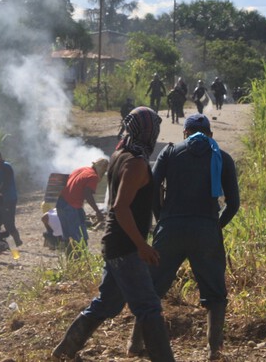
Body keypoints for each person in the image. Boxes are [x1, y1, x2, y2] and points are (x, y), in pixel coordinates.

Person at [52, 107, 174, 362]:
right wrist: (141, 245)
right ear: (149, 132)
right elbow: (120, 207)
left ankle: (64, 351)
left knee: (107, 304)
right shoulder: (136, 163)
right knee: (149, 307)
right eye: (155, 128)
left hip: (116, 244)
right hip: (126, 247)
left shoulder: (120, 153)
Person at [129, 112, 240, 360]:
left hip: (170, 230)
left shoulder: (169, 153)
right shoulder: (222, 157)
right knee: (215, 294)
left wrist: (162, 219)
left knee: (152, 289)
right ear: (211, 135)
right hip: (206, 231)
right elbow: (233, 204)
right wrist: (215, 225)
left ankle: (135, 343)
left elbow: (151, 189)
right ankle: (213, 350)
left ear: (184, 134)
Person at [56, 158, 109, 250]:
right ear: (102, 169)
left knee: (68, 237)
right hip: (71, 206)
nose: (104, 173)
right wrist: (98, 212)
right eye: (104, 170)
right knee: (78, 238)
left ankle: (71, 261)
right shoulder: (93, 176)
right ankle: (80, 261)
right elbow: (87, 194)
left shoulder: (81, 169)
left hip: (61, 203)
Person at [0, 150, 21, 247]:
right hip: (3, 199)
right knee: (0, 219)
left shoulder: (6, 167)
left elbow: (5, 184)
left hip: (9, 198)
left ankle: (17, 242)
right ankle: (4, 241)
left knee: (8, 222)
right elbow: (1, 184)